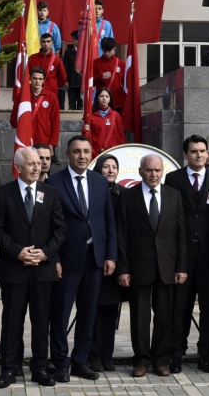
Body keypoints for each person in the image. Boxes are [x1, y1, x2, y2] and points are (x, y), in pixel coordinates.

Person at [0, 147, 67, 388]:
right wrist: (18, 252)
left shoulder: (51, 192)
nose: (38, 167)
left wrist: (45, 253)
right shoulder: (3, 194)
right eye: (32, 163)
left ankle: (40, 368)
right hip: (14, 270)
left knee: (41, 321)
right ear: (18, 167)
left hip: (42, 270)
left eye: (39, 163)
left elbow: (60, 230)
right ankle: (9, 369)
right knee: (12, 322)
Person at [48, 135, 118, 382]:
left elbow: (108, 219)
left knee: (88, 313)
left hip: (95, 259)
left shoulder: (100, 182)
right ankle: (59, 362)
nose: (82, 156)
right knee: (61, 314)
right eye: (77, 151)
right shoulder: (55, 181)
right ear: (67, 154)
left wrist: (110, 255)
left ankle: (80, 361)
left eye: (86, 151)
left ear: (92, 154)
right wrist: (53, 258)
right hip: (66, 260)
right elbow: (49, 225)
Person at [115, 153, 188, 378]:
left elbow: (180, 234)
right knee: (140, 317)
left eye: (157, 170)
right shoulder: (128, 197)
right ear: (140, 172)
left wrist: (181, 267)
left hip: (167, 267)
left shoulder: (173, 195)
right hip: (138, 267)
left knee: (164, 317)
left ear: (162, 172)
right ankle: (141, 360)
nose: (154, 174)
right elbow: (122, 236)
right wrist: (123, 269)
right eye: (149, 170)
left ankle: (161, 360)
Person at [170, 135, 209, 372]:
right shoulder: (173, 179)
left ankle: (206, 353)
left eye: (202, 151)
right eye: (194, 151)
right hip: (181, 255)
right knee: (179, 307)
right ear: (185, 154)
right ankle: (175, 353)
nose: (199, 155)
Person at [89, 154, 126, 373]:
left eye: (114, 167)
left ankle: (107, 355)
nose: (110, 171)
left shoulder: (124, 194)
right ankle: (93, 355)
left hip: (115, 260)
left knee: (111, 312)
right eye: (106, 167)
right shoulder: (93, 192)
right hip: (94, 258)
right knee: (93, 311)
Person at [16, 66, 62, 148]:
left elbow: (55, 122)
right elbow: (14, 121)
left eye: (40, 79)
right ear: (29, 79)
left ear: (44, 80)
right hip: (26, 141)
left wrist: (52, 144)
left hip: (45, 142)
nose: (37, 81)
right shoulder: (22, 97)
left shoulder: (52, 97)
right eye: (34, 78)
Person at [83, 85, 125, 154]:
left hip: (113, 153)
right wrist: (84, 130)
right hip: (96, 154)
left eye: (107, 96)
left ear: (110, 99)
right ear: (97, 98)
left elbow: (121, 137)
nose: (104, 98)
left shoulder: (116, 115)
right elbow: (87, 138)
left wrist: (122, 151)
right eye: (101, 96)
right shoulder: (91, 116)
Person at [30, 32, 69, 97]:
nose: (46, 44)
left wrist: (53, 84)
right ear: (40, 43)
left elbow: (63, 78)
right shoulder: (32, 58)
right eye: (43, 41)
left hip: (51, 92)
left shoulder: (57, 60)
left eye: (48, 41)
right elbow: (26, 75)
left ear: (52, 43)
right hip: (35, 92)